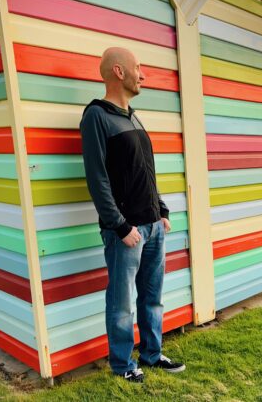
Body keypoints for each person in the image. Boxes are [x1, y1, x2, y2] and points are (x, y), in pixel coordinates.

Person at [79, 47, 186, 383]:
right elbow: (97, 179)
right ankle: (123, 365)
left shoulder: (133, 116)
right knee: (122, 303)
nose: (144, 75)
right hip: (126, 231)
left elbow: (144, 172)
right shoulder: (96, 116)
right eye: (139, 68)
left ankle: (152, 355)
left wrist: (162, 210)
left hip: (153, 226)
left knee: (153, 298)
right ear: (119, 72)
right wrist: (120, 225)